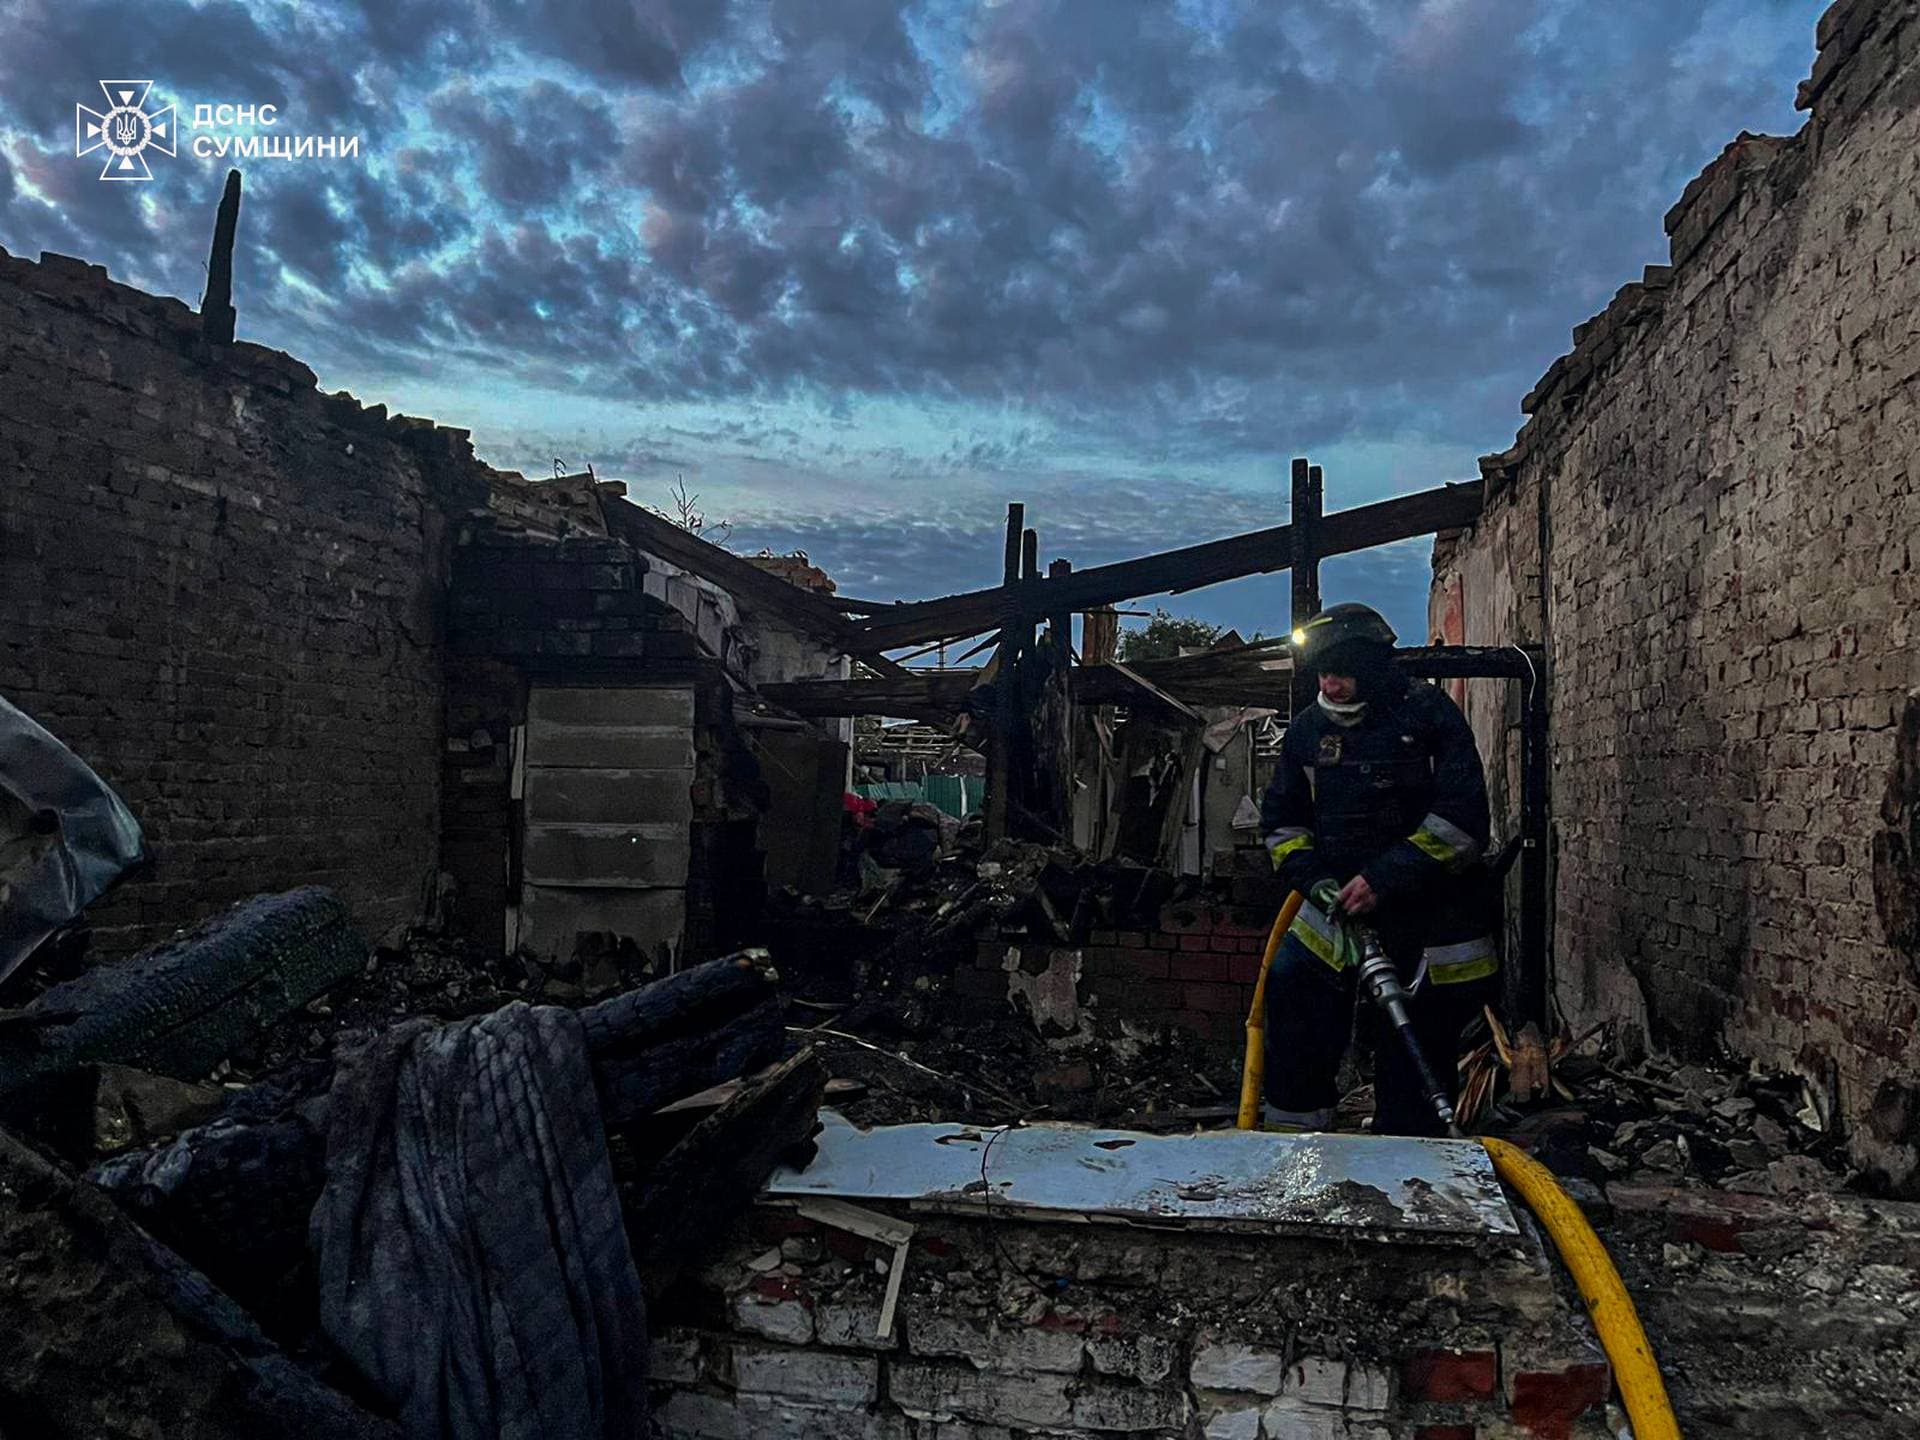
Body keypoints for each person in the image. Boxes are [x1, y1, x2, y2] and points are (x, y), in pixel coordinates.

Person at [1257, 603, 1497, 1137]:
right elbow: (1282, 825)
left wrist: (1384, 879)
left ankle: (1409, 1158)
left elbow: (1462, 823)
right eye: (1322, 673)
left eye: (1341, 673)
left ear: (1371, 668)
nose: (1331, 685)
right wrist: (1314, 880)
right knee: (1293, 988)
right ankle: (1294, 1145)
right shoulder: (1307, 733)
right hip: (1337, 906)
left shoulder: (1429, 717)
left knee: (1414, 1034)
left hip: (1430, 915)